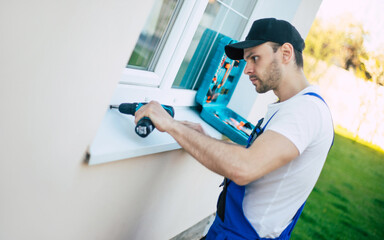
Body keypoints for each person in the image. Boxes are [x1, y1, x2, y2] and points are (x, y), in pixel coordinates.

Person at [134, 18, 334, 240]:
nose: (247, 69)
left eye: (255, 58)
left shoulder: (304, 111)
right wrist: (202, 138)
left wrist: (170, 125)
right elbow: (254, 159)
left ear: (286, 53)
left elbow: (244, 167)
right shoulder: (293, 106)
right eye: (247, 60)